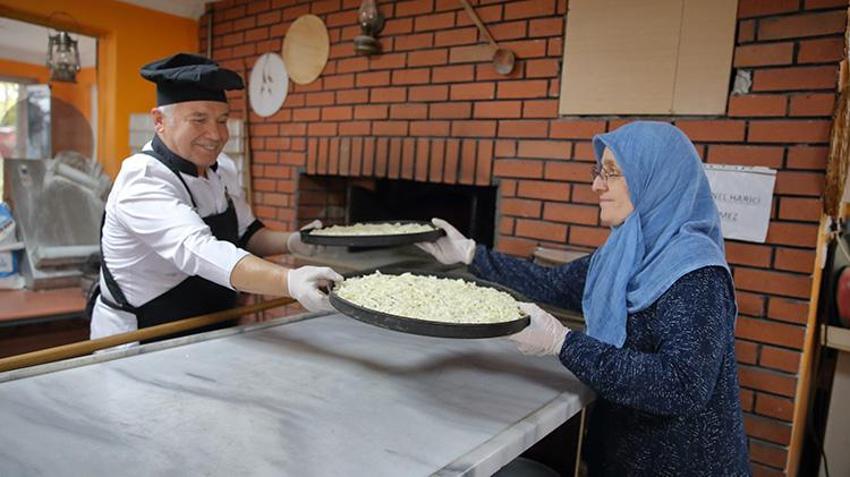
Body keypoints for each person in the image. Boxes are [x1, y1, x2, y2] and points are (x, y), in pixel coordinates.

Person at [418, 121, 750, 476]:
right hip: (620, 456)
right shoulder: (624, 251)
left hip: (683, 464)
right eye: (599, 172)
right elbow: (553, 283)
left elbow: (682, 386)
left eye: (612, 173)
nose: (597, 185)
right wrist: (471, 254)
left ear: (656, 180)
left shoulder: (698, 275)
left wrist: (564, 343)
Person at [88, 53, 340, 341]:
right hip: (143, 335)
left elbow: (247, 234)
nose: (216, 134)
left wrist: (293, 241)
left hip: (210, 325)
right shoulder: (143, 180)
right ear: (159, 121)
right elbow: (200, 250)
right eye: (199, 120)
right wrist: (290, 281)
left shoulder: (222, 169)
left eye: (222, 120)